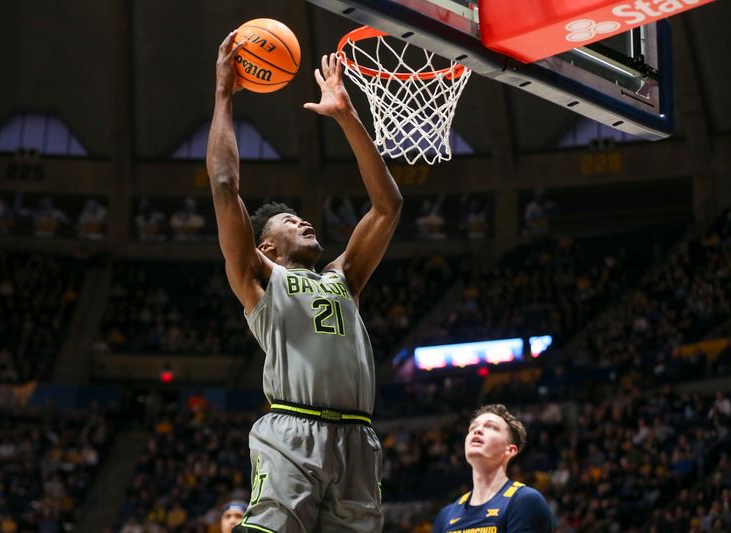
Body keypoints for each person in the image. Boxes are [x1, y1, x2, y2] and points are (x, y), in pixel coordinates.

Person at [207, 31, 403, 533]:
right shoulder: (257, 276)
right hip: (292, 429)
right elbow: (226, 187)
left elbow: (388, 206)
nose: (304, 222)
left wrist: (347, 117)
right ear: (266, 245)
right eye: (289, 221)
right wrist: (225, 95)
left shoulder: (345, 278)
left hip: (357, 439)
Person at [432, 404, 553, 532]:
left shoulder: (525, 501)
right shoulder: (445, 516)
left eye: (491, 427)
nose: (477, 430)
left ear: (510, 450)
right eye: (473, 427)